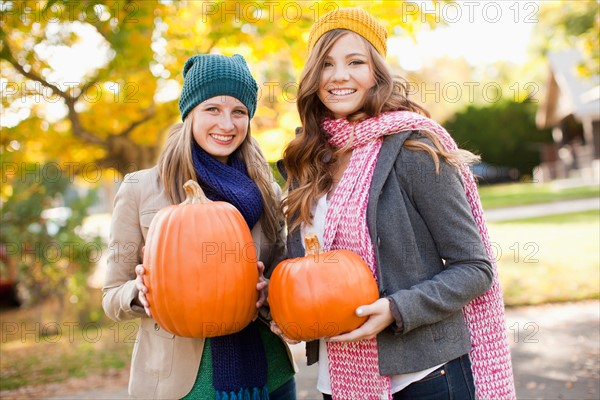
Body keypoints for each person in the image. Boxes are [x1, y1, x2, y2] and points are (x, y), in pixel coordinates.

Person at [279, 8, 516, 400]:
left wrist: (396, 309)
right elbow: (304, 268)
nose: (339, 75)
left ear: (377, 71)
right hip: (339, 383)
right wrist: (281, 310)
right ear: (312, 77)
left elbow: (474, 267)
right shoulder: (307, 161)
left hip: (425, 378)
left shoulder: (413, 148)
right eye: (326, 64)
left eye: (356, 62)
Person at [102, 53, 296, 400]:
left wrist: (272, 291)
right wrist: (139, 293)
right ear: (190, 112)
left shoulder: (266, 186)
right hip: (183, 386)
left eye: (239, 112)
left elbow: (283, 270)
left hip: (271, 376)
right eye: (212, 109)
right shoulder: (142, 188)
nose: (227, 124)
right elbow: (111, 295)